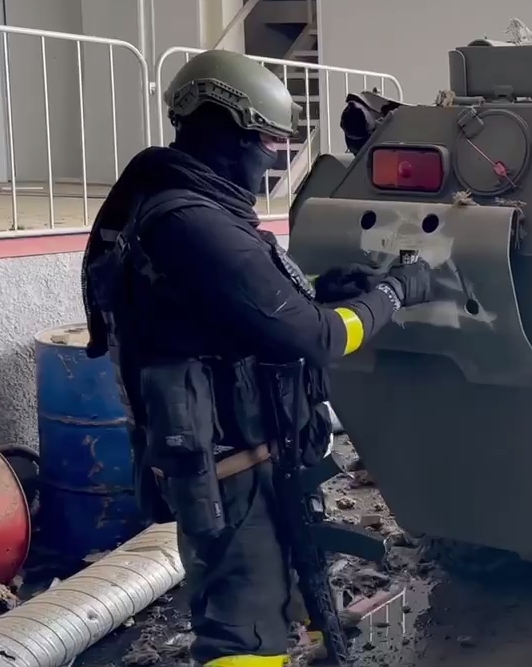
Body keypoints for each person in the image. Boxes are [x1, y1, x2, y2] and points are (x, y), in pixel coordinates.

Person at [80, 49, 431, 667]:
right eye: (268, 142)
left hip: (246, 452)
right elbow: (319, 339)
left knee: (284, 589)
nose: (275, 158)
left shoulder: (180, 203)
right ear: (228, 133)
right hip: (230, 466)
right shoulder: (193, 224)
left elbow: (233, 309)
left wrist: (320, 289)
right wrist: (394, 294)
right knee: (243, 627)